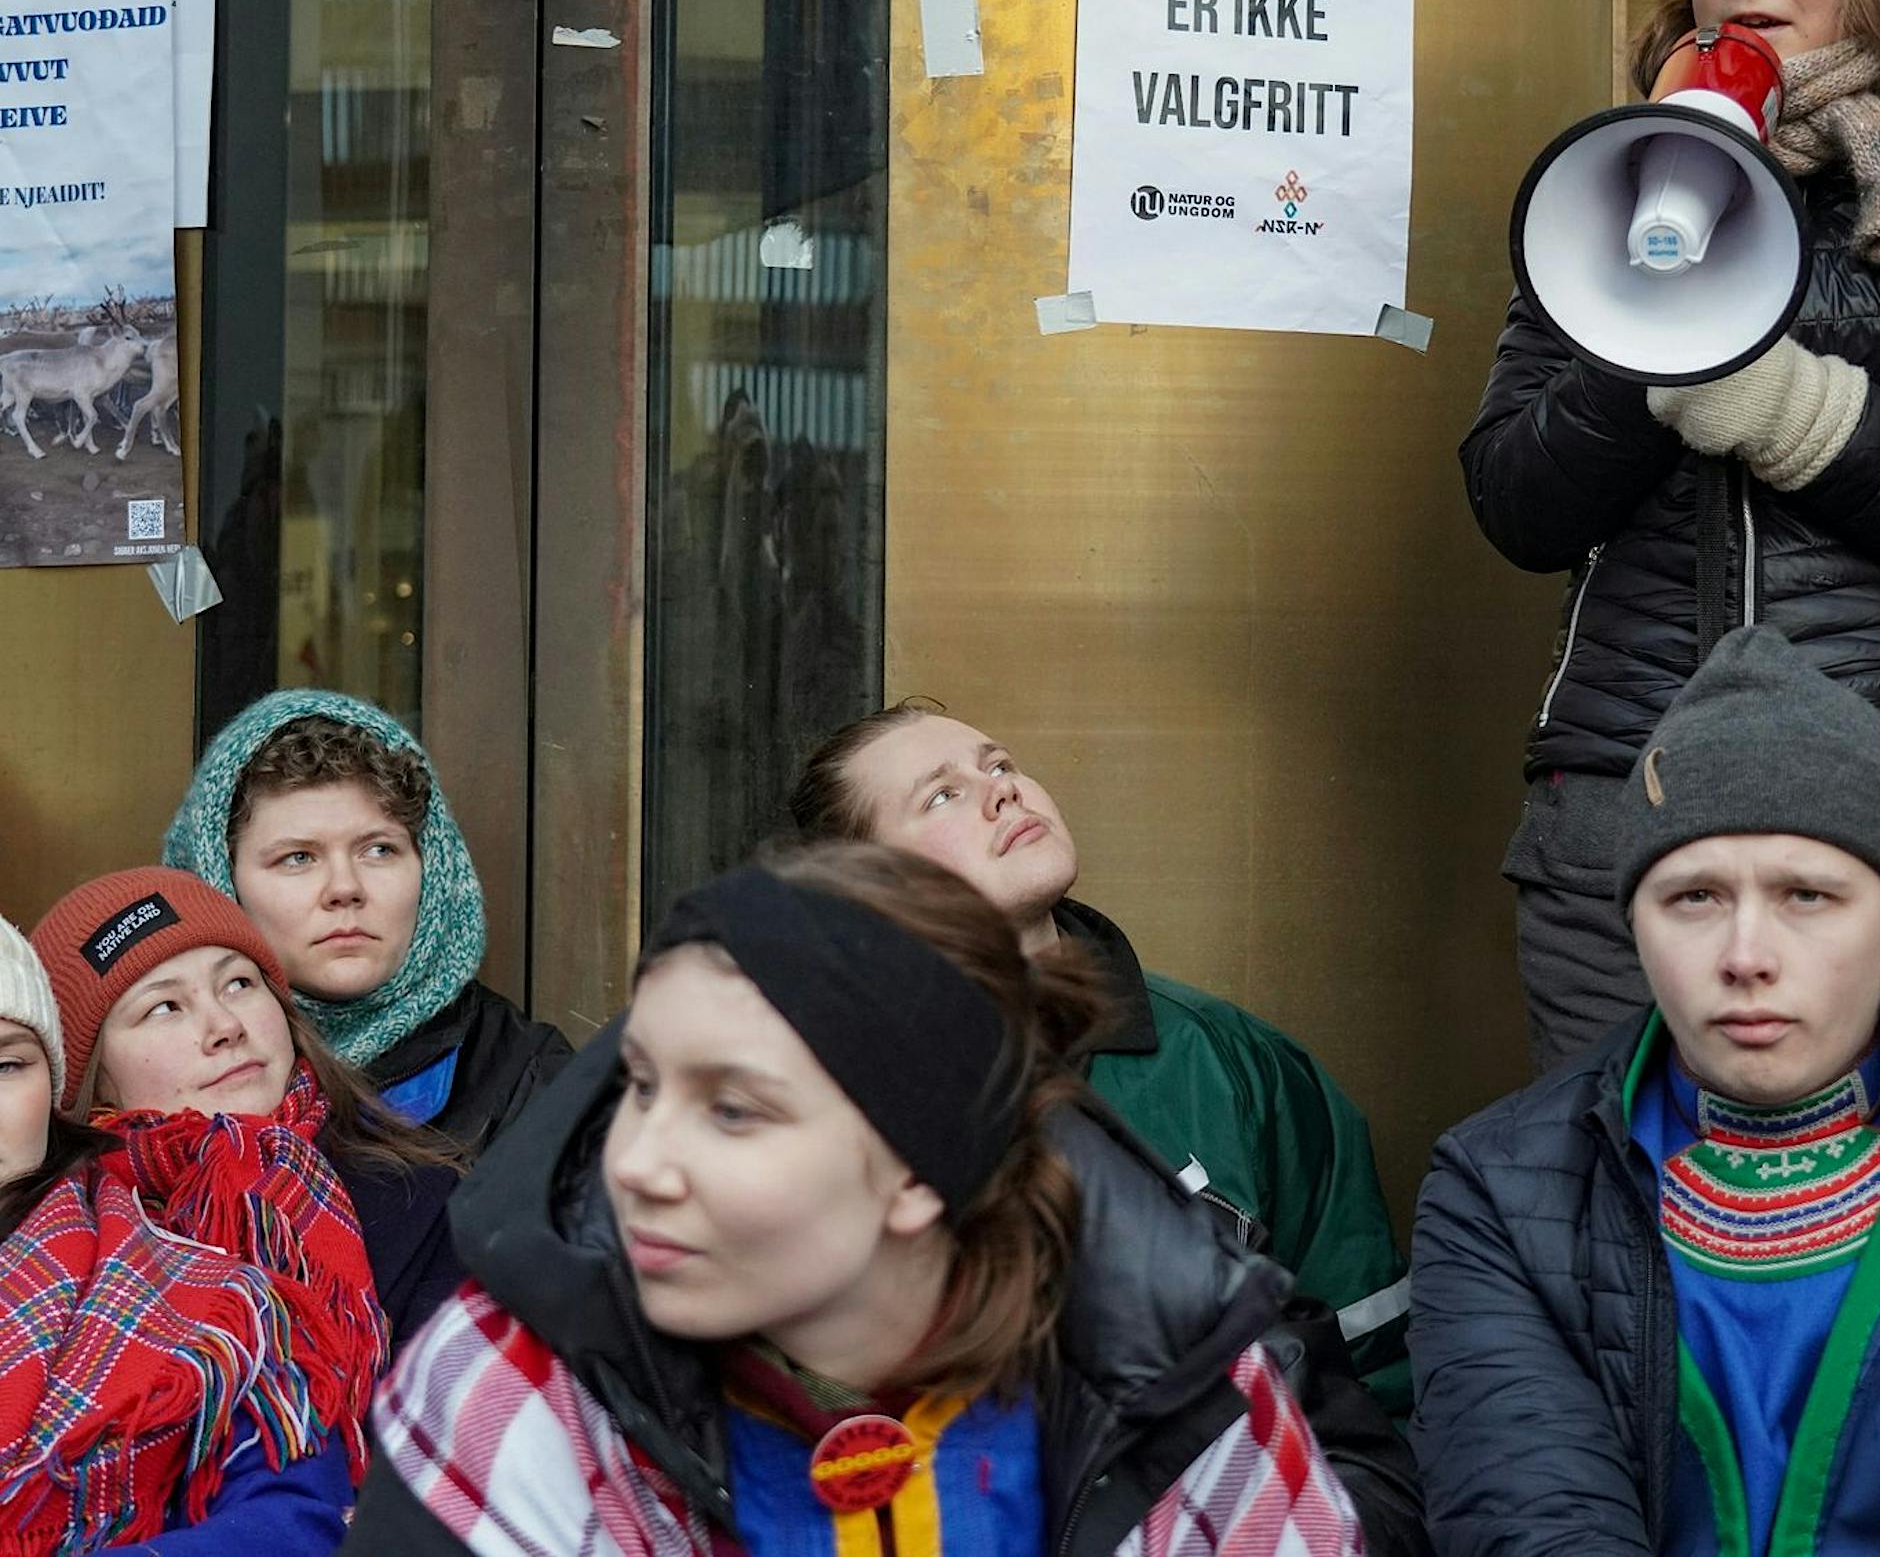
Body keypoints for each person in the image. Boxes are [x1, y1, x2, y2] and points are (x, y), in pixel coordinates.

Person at [346, 843, 1366, 1554]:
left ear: (918, 1171)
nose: (637, 1162)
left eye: (735, 1110)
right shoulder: (512, 1379)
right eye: (642, 1085)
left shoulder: (1170, 1371)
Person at [1463, 0, 1880, 1073]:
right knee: (1609, 1193)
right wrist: (1646, 357)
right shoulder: (1613, 180)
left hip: (1860, 796)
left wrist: (1786, 407)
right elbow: (1516, 501)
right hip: (1619, 796)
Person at [786, 705, 1414, 1417]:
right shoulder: (813, 1111)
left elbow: (1374, 1377)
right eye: (942, 794)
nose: (1003, 790)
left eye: (1000, 765)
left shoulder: (1236, 1062)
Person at [1412, 625, 1880, 1553]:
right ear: (1633, 925)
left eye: (1808, 896)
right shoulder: (1498, 1192)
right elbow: (1538, 1524)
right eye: (1693, 898)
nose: (1747, 958)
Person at [0, 911, 355, 1548]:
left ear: (55, 1089)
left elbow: (291, 1513)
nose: (224, 1028)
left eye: (6, 1067)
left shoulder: (219, 1306)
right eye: (163, 1005)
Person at [32, 865, 463, 1353]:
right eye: (164, 1008)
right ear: (93, 1077)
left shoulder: (423, 1205)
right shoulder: (47, 1256)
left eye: (238, 983)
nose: (225, 1025)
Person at [163, 689, 572, 1150]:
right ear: (219, 879)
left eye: (379, 850)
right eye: (298, 858)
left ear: (432, 868)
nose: (345, 889)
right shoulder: (165, 1071)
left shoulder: (533, 1083)